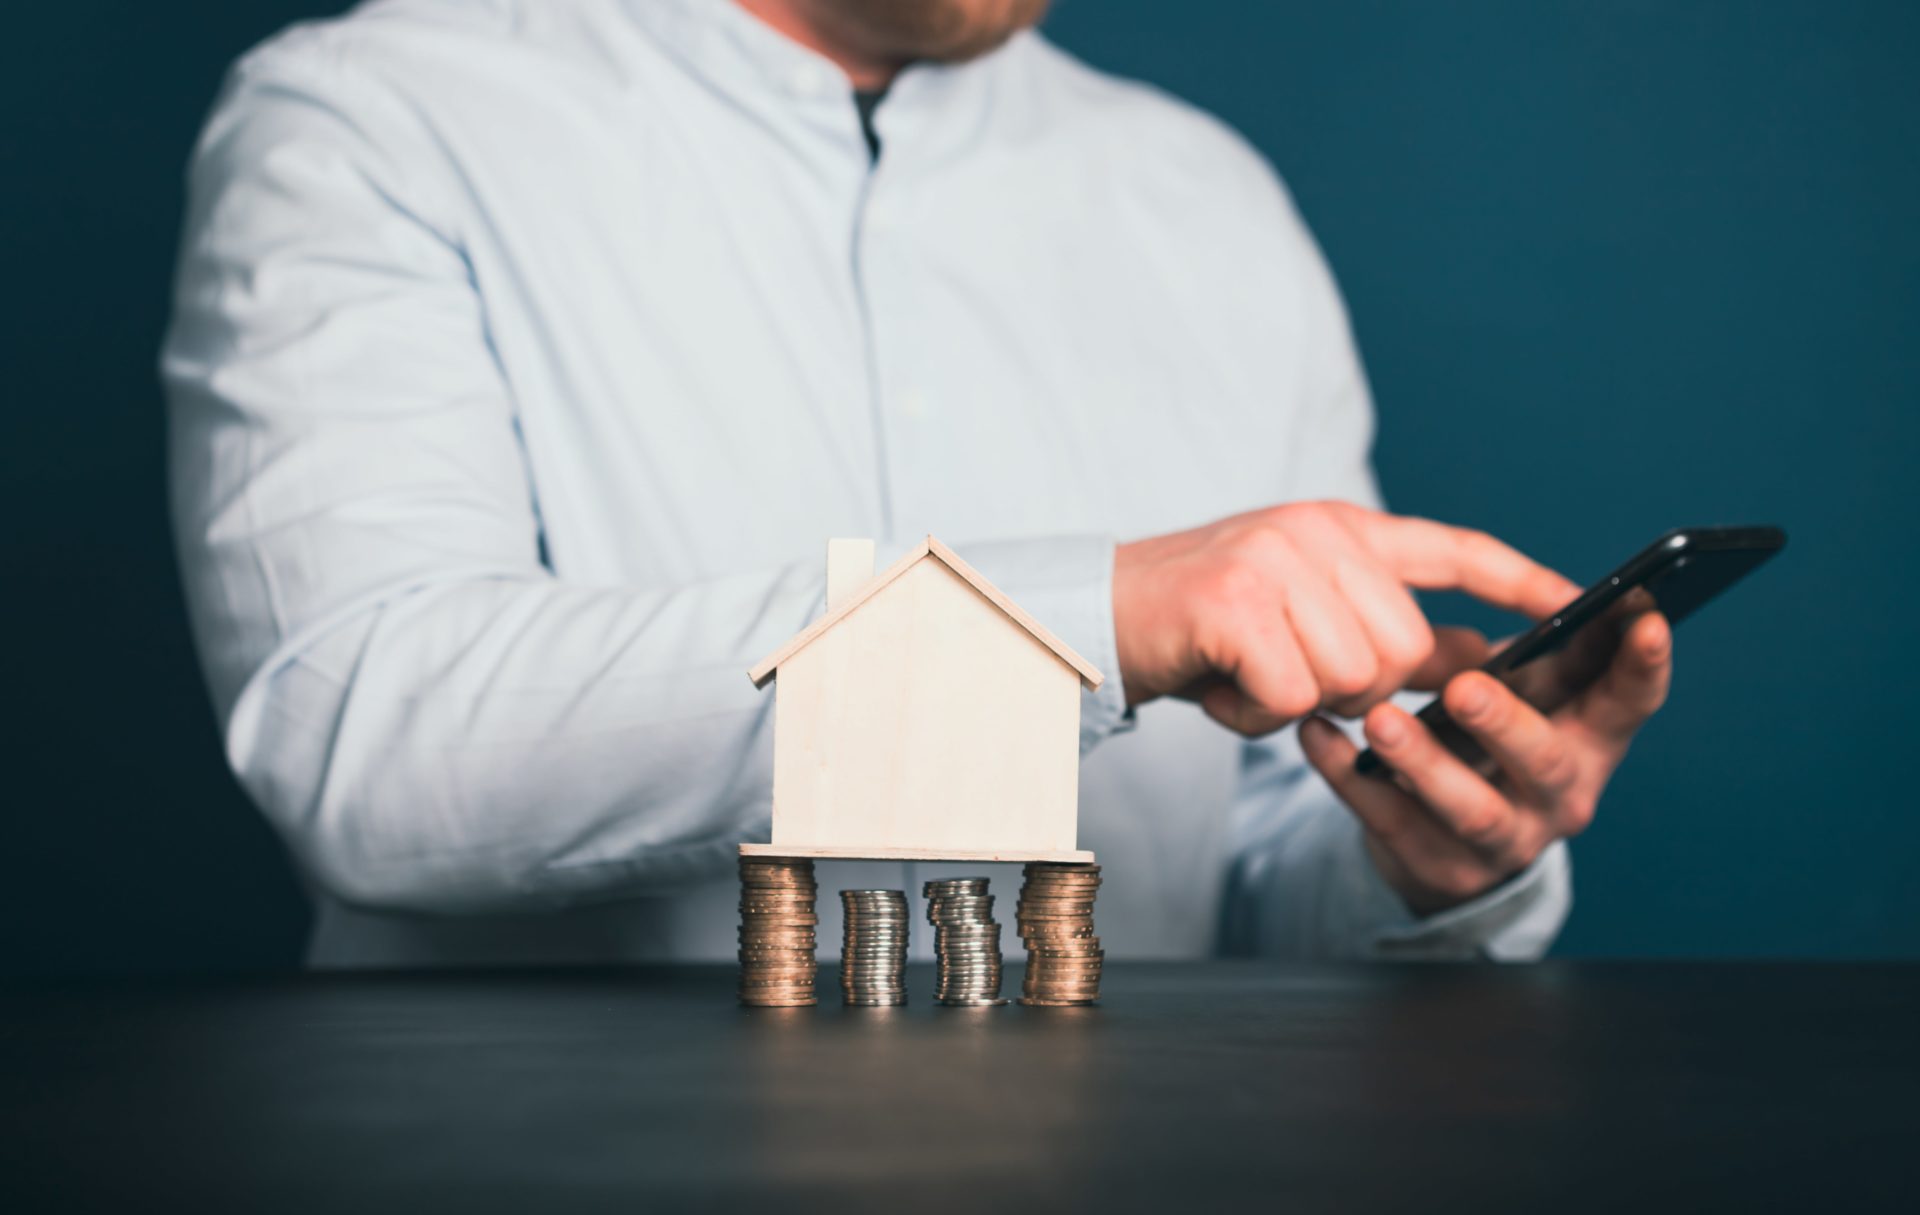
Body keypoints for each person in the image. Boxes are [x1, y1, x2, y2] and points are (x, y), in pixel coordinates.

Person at [163, 0, 1672, 968]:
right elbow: (364, 734)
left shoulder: (1211, 199)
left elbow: (1260, 864)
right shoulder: (371, 115)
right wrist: (1087, 617)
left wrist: (1430, 865)